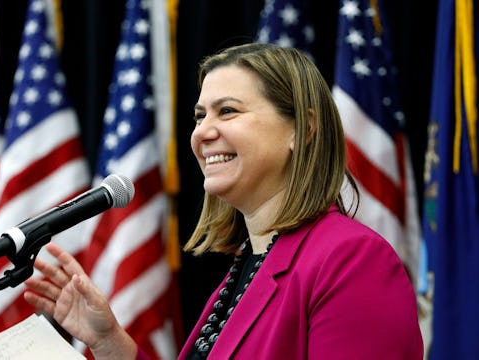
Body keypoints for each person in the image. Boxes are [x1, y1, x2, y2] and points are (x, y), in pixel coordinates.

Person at [24, 43, 423, 359]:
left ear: (303, 129)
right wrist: (109, 341)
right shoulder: (246, 267)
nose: (202, 133)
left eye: (227, 111)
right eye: (199, 116)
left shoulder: (351, 260)